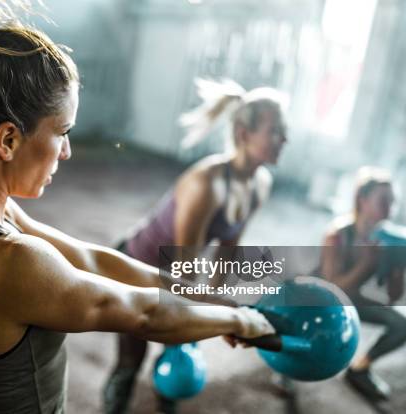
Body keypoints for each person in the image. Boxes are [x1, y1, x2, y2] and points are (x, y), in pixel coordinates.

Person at [0, 2, 276, 413]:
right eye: (61, 132)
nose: (66, 152)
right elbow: (142, 313)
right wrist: (240, 319)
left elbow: (91, 259)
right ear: (7, 139)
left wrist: (214, 300)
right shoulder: (6, 262)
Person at [103, 79, 288, 414]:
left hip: (177, 271)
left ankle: (166, 401)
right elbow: (182, 266)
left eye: (284, 130)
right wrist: (204, 313)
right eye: (275, 131)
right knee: (132, 358)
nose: (284, 140)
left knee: (178, 351)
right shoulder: (208, 183)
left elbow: (228, 249)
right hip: (141, 265)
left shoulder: (260, 182)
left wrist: (211, 307)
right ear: (245, 134)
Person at [321, 167, 406, 401]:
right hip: (321, 300)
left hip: (353, 300)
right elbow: (332, 288)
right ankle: (288, 370)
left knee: (403, 325)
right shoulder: (338, 234)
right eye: (383, 201)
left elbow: (394, 295)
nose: (389, 208)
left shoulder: (386, 239)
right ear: (362, 200)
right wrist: (367, 263)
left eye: (392, 202)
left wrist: (398, 269)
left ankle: (360, 368)